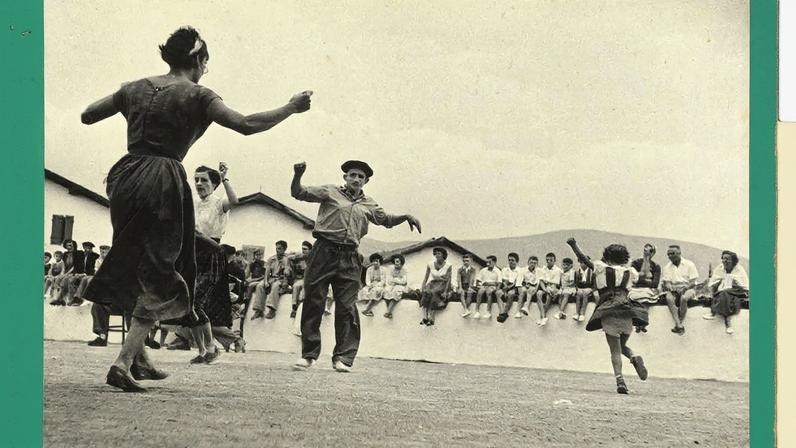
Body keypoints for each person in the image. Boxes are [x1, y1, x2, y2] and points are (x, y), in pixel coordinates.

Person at [81, 26, 312, 392]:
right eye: (206, 62)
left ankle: (139, 356)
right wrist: (291, 107)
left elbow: (88, 115)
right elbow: (246, 124)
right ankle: (123, 362)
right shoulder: (198, 94)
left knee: (132, 258)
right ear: (199, 60)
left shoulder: (135, 86)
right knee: (162, 266)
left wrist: (129, 103)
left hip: (125, 175)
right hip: (162, 176)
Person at [291, 160, 421, 372]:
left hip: (350, 257)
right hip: (323, 251)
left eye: (361, 177)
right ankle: (309, 355)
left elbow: (386, 219)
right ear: (345, 177)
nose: (356, 179)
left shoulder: (369, 204)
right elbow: (299, 193)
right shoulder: (329, 191)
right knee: (314, 301)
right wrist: (298, 175)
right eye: (353, 175)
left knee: (347, 307)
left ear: (366, 181)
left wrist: (405, 216)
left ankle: (343, 357)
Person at [566, 238, 649, 394]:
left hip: (609, 309)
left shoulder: (601, 267)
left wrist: (573, 245)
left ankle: (620, 381)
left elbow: (584, 259)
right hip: (626, 311)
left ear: (607, 256)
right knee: (621, 346)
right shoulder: (629, 272)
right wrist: (646, 257)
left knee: (614, 351)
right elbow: (644, 273)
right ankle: (634, 357)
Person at [703, 251, 749, 334]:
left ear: (733, 261)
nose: (725, 261)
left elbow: (745, 285)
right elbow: (712, 282)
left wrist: (733, 279)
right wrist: (720, 281)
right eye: (723, 259)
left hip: (738, 291)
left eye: (727, 259)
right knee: (725, 296)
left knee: (724, 293)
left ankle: (713, 313)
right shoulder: (720, 268)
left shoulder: (739, 269)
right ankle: (728, 325)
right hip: (724, 291)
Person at [661, 245, 699, 335]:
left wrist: (685, 288)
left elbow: (693, 282)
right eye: (668, 254)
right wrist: (671, 287)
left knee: (684, 298)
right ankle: (679, 325)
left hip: (688, 288)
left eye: (672, 253)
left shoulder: (689, 264)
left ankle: (679, 323)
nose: (670, 256)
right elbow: (667, 282)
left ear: (679, 253)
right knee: (669, 298)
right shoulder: (667, 267)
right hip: (674, 289)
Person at [250, 240, 293, 319]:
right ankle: (259, 310)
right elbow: (267, 271)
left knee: (275, 286)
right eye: (276, 248)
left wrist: (285, 281)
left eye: (279, 248)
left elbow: (288, 273)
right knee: (260, 285)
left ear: (284, 249)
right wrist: (266, 281)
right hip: (272, 278)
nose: (277, 250)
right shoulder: (272, 258)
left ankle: (272, 310)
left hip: (281, 280)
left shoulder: (287, 259)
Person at [629, 243, 662, 332]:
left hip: (648, 290)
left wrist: (641, 280)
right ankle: (639, 321)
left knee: (644, 298)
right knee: (635, 298)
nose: (648, 253)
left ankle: (641, 322)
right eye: (646, 250)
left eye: (650, 251)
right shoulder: (636, 263)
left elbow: (655, 283)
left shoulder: (656, 266)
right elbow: (634, 279)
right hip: (636, 289)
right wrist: (646, 281)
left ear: (653, 253)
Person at [419, 247, 453, 326]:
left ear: (443, 255)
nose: (437, 255)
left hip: (443, 284)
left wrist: (445, 291)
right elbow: (426, 277)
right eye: (436, 253)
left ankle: (431, 317)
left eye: (439, 253)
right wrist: (423, 286)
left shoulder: (448, 265)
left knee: (434, 293)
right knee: (426, 292)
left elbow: (449, 279)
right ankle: (424, 317)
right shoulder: (430, 264)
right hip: (433, 283)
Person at [535, 252, 563, 326]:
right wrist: (544, 289)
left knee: (549, 295)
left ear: (554, 260)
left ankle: (542, 316)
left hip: (553, 288)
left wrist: (548, 289)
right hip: (545, 287)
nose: (549, 261)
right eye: (547, 260)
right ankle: (544, 316)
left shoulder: (558, 270)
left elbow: (555, 284)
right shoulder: (543, 269)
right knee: (538, 293)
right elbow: (541, 281)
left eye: (551, 260)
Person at [289, 241, 313, 318]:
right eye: (302, 249)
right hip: (302, 279)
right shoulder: (300, 257)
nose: (303, 251)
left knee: (303, 289)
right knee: (296, 286)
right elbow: (288, 257)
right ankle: (294, 307)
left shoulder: (313, 258)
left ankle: (299, 307)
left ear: (310, 250)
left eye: (305, 249)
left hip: (311, 279)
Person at [496, 252, 522, 323]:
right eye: (509, 260)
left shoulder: (519, 270)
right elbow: (504, 280)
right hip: (506, 287)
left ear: (516, 261)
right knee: (498, 293)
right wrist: (505, 289)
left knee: (511, 294)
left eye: (512, 260)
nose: (510, 262)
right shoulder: (505, 269)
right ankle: (502, 312)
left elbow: (516, 283)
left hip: (514, 288)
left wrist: (507, 288)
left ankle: (505, 312)